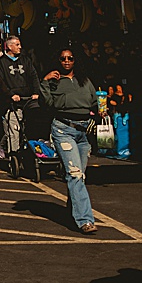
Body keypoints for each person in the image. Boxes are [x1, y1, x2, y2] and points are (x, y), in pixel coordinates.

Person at [40, 47, 100, 233]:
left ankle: (73, 210)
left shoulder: (85, 81)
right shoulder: (53, 81)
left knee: (79, 175)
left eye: (70, 58)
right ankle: (85, 220)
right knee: (74, 174)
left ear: (76, 61)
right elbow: (46, 103)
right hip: (63, 129)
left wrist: (100, 111)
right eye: (62, 58)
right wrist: (44, 82)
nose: (66, 61)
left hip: (84, 131)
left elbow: (94, 103)